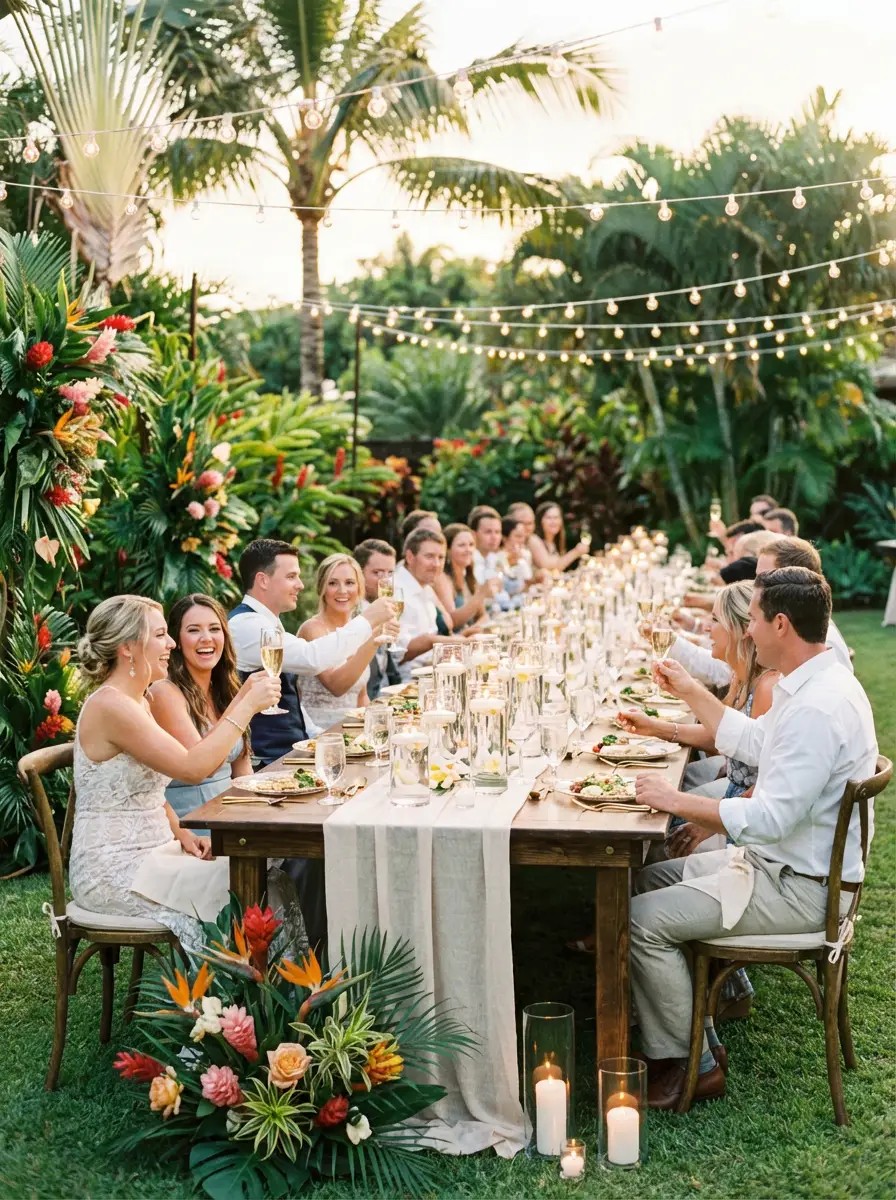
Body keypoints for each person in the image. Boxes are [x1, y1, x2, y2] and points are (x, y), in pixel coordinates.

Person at [630, 568, 877, 1109]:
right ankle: (701, 1036)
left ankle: (689, 1066)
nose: (748, 632)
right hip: (773, 866)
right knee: (644, 879)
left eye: (756, 620)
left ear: (781, 624)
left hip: (798, 887)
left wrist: (673, 800)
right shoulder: (809, 682)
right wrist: (691, 689)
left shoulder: (818, 706)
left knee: (641, 922)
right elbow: (750, 739)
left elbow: (767, 819)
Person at [70, 594, 306, 957]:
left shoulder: (136, 701)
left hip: (156, 851)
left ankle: (272, 996)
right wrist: (245, 705)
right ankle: (233, 1004)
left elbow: (148, 787)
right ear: (129, 648)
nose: (170, 644)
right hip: (114, 869)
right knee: (239, 889)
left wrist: (181, 832)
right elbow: (193, 769)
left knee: (263, 879)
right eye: (162, 635)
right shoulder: (111, 705)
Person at [228, 539, 394, 765]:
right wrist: (369, 620)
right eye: (291, 576)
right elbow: (312, 658)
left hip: (290, 752)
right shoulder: (247, 625)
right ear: (263, 580)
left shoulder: (267, 624)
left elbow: (292, 703)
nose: (300, 585)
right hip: (266, 760)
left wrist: (326, 739)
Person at [671, 536, 853, 684]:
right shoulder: (793, 624)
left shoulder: (816, 642)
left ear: (792, 578)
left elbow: (723, 671)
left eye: (763, 577)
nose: (755, 585)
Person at [149, 594, 252, 836]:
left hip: (231, 816)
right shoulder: (164, 692)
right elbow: (206, 768)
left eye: (214, 629)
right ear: (176, 640)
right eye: (194, 630)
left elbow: (242, 771)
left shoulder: (225, 690)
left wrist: (260, 810)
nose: (206, 638)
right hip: (193, 826)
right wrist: (245, 704)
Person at [298, 554, 397, 728]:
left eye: (349, 583)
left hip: (353, 732)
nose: (342, 590)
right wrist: (373, 640)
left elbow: (361, 695)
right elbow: (337, 686)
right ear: (322, 588)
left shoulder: (359, 629)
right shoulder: (312, 629)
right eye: (333, 583)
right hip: (318, 736)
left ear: (360, 588)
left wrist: (377, 728)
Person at [393, 527, 449, 682]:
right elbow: (398, 654)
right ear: (410, 557)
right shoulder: (396, 589)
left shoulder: (425, 587)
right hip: (407, 682)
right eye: (430, 556)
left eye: (441, 557)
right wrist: (462, 642)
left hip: (432, 673)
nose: (436, 564)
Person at [354, 538, 401, 699]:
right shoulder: (352, 614)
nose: (385, 580)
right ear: (358, 573)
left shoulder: (387, 609)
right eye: (377, 573)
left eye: (390, 573)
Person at [432, 523, 500, 633]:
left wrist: (473, 630)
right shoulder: (442, 578)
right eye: (462, 545)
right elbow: (452, 621)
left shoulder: (469, 576)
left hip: (469, 639)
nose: (468, 549)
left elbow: (483, 616)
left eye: (471, 544)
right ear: (447, 550)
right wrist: (481, 594)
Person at [528, 501, 588, 573]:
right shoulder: (534, 539)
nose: (553, 521)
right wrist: (576, 552)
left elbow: (557, 571)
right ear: (540, 521)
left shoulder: (554, 542)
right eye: (549, 518)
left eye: (556, 517)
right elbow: (547, 566)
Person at [467, 504, 503, 584]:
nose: (494, 537)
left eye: (497, 532)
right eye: (488, 532)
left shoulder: (494, 558)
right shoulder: (467, 561)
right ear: (473, 534)